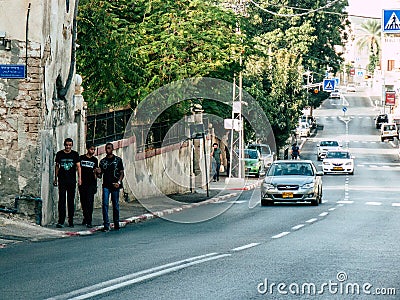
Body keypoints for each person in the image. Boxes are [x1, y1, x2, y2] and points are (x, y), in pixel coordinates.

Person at [53, 138, 81, 228]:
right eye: (66, 145)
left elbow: (78, 166)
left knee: (70, 200)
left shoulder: (75, 154)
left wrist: (80, 178)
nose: (68, 147)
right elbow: (57, 166)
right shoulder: (60, 154)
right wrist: (55, 178)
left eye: (69, 145)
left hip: (71, 180)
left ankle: (71, 220)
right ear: (64, 145)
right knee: (61, 200)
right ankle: (61, 220)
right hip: (62, 180)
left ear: (72, 145)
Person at [97, 143, 124, 231]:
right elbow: (100, 175)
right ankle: (106, 224)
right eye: (106, 148)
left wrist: (119, 182)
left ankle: (116, 223)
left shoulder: (118, 160)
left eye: (109, 148)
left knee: (115, 205)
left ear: (112, 149)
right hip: (106, 185)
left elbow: (122, 173)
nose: (107, 150)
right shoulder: (102, 161)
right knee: (105, 204)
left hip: (115, 185)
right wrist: (98, 172)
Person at [78, 143, 99, 228]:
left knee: (90, 202)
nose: (92, 151)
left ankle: (89, 220)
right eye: (91, 149)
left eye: (94, 149)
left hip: (91, 183)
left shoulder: (95, 160)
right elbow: (78, 169)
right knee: (83, 201)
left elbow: (95, 171)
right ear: (87, 149)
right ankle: (85, 217)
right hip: (83, 183)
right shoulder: (81, 158)